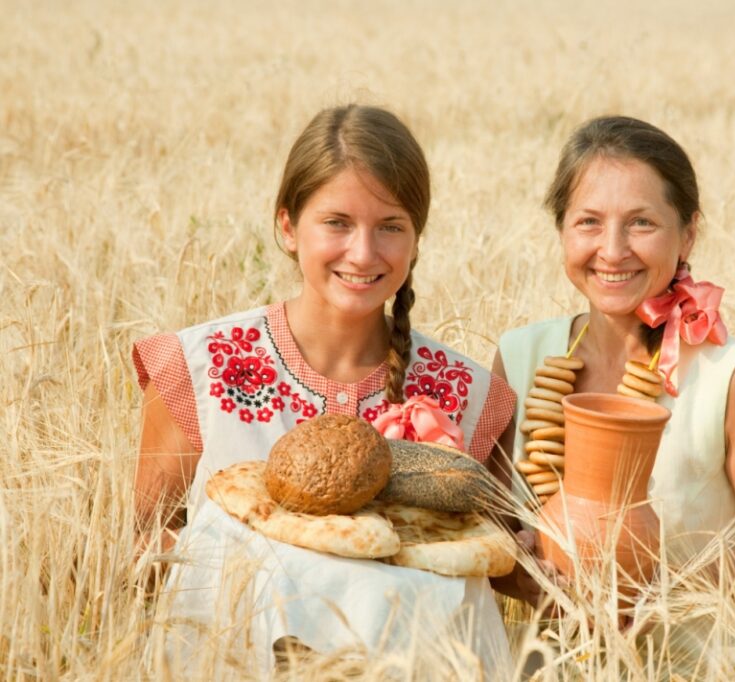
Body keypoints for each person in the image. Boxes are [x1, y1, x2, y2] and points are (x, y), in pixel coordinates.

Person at [132, 104, 516, 674]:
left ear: (416, 238)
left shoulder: (468, 395)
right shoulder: (199, 368)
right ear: (287, 227)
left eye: (390, 226)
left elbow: (496, 565)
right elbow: (144, 549)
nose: (363, 253)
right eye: (337, 222)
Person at [490, 116, 735, 664]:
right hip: (551, 667)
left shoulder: (730, 376)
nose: (612, 251)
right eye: (588, 222)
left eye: (641, 223)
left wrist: (661, 584)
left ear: (688, 233)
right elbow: (489, 531)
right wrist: (518, 569)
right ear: (561, 230)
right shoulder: (519, 358)